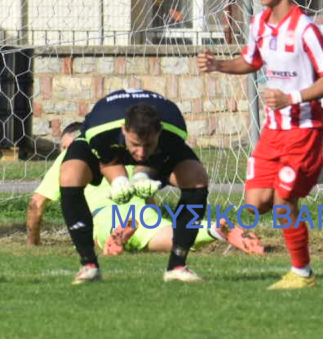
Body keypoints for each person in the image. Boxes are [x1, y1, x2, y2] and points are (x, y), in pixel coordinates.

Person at [197, 0, 323, 290]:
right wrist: (218, 65)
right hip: (273, 131)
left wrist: (291, 98)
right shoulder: (259, 24)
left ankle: (302, 273)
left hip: (303, 127)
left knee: (285, 200)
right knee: (256, 205)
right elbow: (251, 61)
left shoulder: (306, 30)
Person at [27, 122, 264, 257]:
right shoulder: (122, 153)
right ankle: (215, 229)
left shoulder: (70, 161)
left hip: (104, 216)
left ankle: (117, 237)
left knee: (130, 240)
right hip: (143, 212)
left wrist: (33, 243)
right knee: (168, 233)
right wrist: (153, 214)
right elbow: (146, 192)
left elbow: (36, 204)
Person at [58, 88, 220, 285]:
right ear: (124, 130)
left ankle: (177, 266)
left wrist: (142, 176)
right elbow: (108, 161)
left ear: (158, 132)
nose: (141, 152)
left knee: (196, 178)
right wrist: (119, 181)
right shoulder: (100, 131)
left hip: (158, 140)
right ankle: (89, 265)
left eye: (148, 145)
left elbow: (155, 159)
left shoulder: (174, 131)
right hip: (100, 140)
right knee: (70, 175)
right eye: (135, 144)